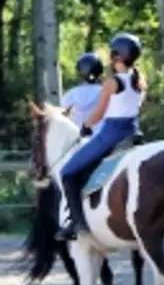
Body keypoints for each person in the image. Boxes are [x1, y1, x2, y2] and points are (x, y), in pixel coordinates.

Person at [59, 33, 146, 238]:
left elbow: (99, 113)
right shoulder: (140, 81)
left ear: (116, 56)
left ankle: (78, 224)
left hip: (111, 135)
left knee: (67, 172)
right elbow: (136, 109)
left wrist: (86, 127)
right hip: (134, 133)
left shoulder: (112, 82)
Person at [61, 51, 105, 128]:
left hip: (77, 136)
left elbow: (61, 113)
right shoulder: (106, 91)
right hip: (101, 137)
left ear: (79, 72)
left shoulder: (72, 94)